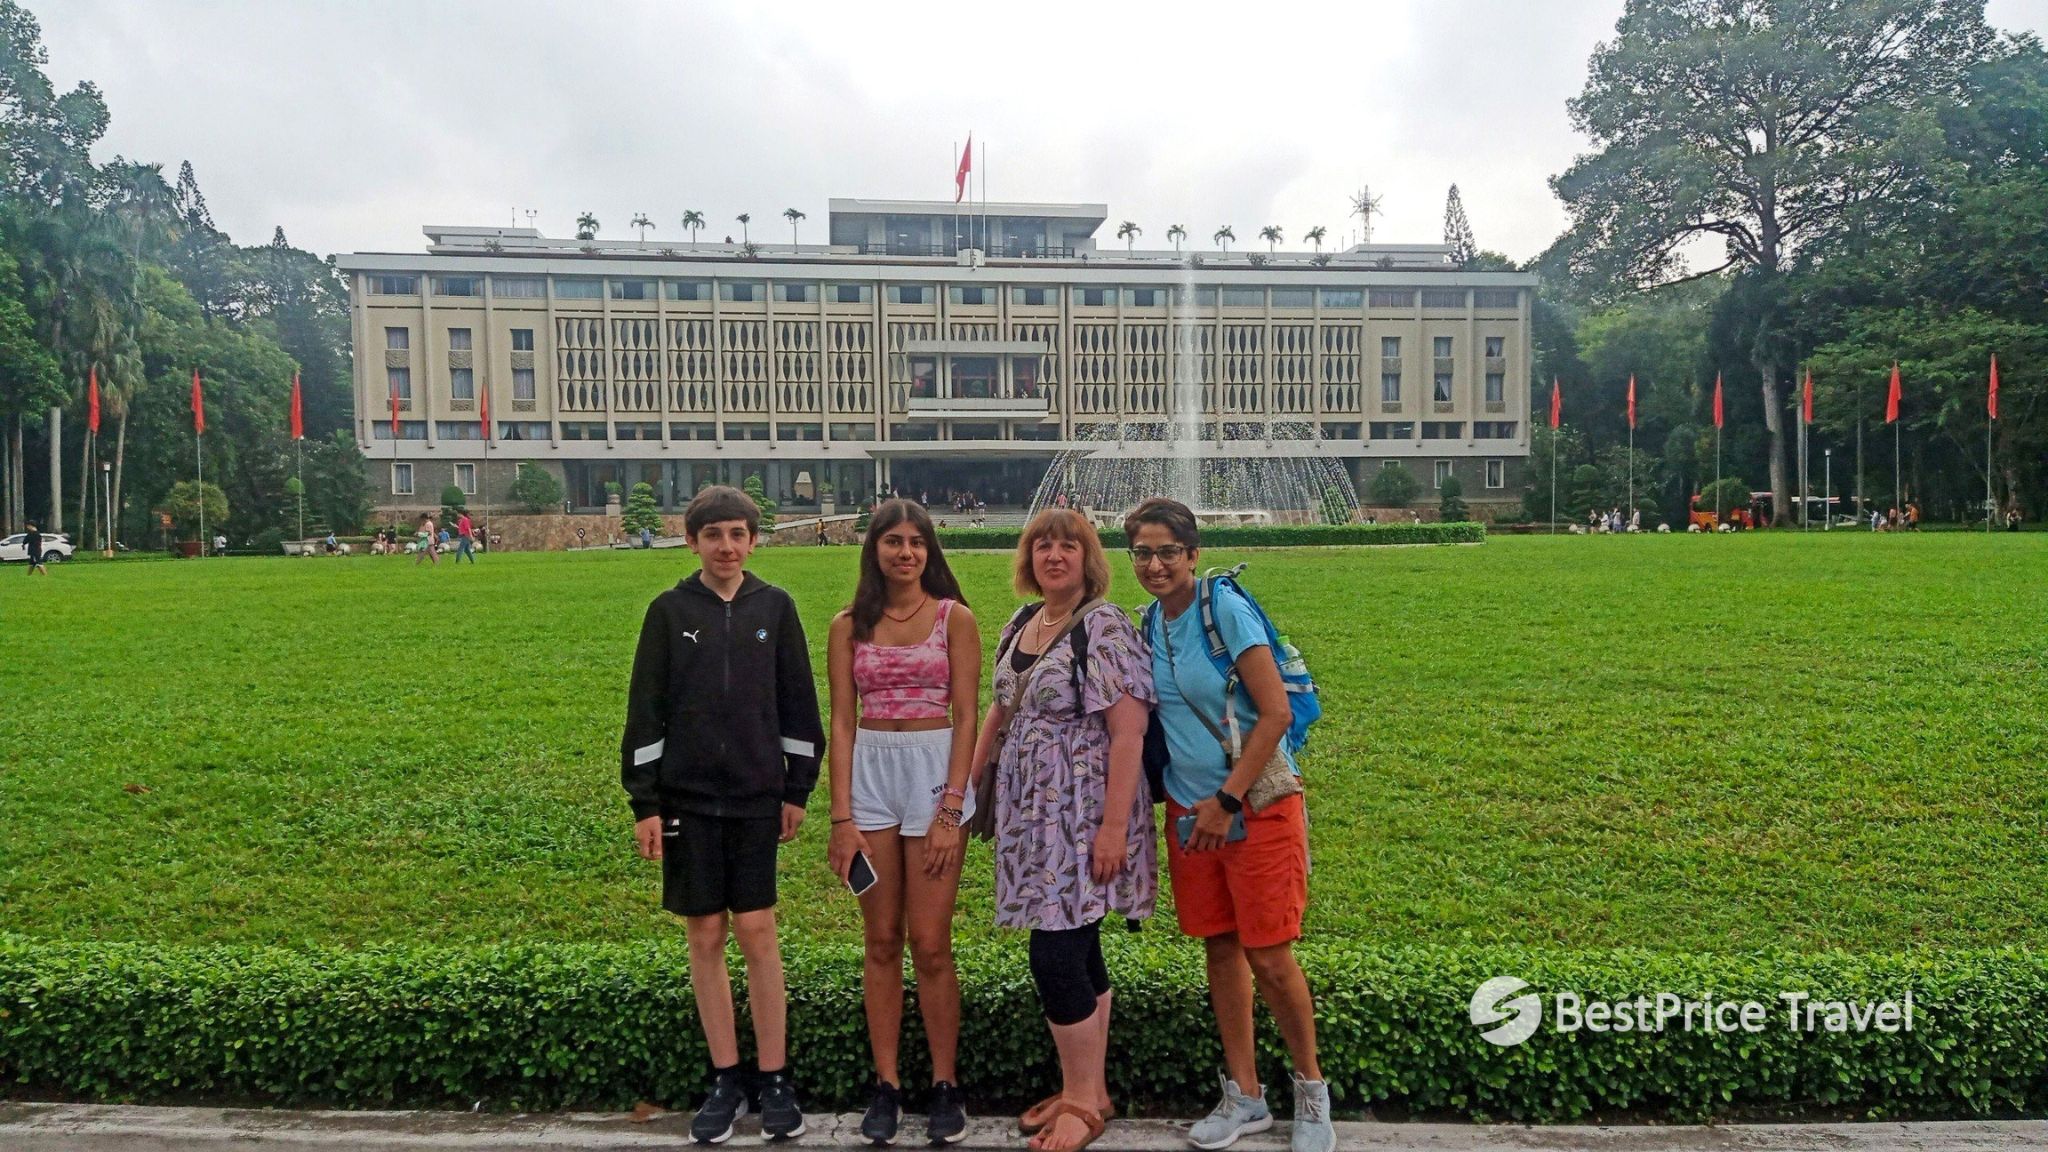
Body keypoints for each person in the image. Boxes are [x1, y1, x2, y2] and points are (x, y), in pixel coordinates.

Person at [1123, 499, 1334, 1152]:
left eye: (1167, 552)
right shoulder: (1150, 624)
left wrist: (1228, 801)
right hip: (1190, 813)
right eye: (1142, 553)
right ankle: (1245, 1095)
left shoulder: (1225, 610)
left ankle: (1311, 1094)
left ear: (1192, 554)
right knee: (1219, 947)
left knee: (1269, 955)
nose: (1155, 565)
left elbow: (1272, 715)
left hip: (1255, 806)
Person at [621, 485, 826, 1144]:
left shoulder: (777, 607)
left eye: (738, 534)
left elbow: (798, 706)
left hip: (757, 798)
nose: (727, 546)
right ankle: (726, 1078)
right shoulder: (668, 610)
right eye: (714, 535)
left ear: (753, 540)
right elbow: (646, 709)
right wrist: (645, 802)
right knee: (705, 935)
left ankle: (775, 1079)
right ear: (692, 541)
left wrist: (797, 790)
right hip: (687, 801)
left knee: (758, 931)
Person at [968, 508, 1154, 1152]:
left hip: (1081, 815)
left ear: (1087, 558)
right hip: (1032, 817)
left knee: (1053, 951)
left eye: (1067, 546)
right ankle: (1090, 1089)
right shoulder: (1022, 622)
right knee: (1076, 945)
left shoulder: (1104, 627)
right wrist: (966, 791)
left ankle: (1081, 1100)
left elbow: (1129, 733)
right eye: (1042, 545)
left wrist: (1112, 831)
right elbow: (999, 708)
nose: (1054, 556)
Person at [825, 499, 980, 1145]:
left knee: (933, 943)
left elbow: (969, 715)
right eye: (894, 541)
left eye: (917, 542)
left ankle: (945, 1085)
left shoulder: (955, 618)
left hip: (934, 769)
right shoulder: (848, 624)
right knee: (882, 940)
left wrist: (950, 807)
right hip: (872, 778)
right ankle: (886, 1085)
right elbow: (840, 718)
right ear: (876, 549)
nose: (906, 552)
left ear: (930, 551)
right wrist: (841, 816)